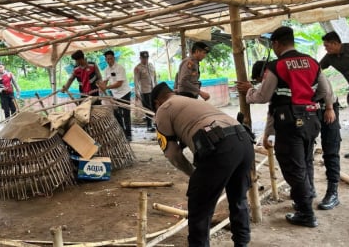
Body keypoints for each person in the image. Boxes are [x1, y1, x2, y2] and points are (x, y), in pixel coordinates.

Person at [236, 26, 335, 228]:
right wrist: (306, 101)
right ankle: (308, 193)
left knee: (292, 166)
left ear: (276, 44)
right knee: (305, 160)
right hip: (311, 118)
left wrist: (250, 91)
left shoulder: (277, 66)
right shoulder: (312, 62)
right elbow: (325, 91)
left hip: (289, 122)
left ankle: (306, 213)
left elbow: (263, 97)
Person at [151, 82, 254, 247]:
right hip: (244, 141)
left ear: (157, 102)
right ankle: (242, 243)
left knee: (200, 207)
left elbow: (172, 153)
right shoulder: (192, 102)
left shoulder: (163, 109)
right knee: (238, 198)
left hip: (220, 147)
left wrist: (193, 174)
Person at [251, 60, 341, 210]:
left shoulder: (296, 67)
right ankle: (309, 192)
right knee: (306, 152)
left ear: (265, 73)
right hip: (308, 112)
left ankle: (333, 193)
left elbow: (326, 88)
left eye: (261, 80)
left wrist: (329, 107)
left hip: (326, 107)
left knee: (330, 149)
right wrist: (269, 132)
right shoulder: (278, 79)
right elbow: (275, 106)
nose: (263, 83)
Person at [99, 50, 132, 140]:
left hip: (124, 93)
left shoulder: (120, 68)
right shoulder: (106, 70)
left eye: (111, 58)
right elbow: (105, 81)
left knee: (126, 114)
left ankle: (128, 134)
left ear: (114, 58)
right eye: (107, 59)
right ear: (105, 60)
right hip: (115, 95)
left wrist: (106, 87)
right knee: (117, 114)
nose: (109, 60)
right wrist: (102, 86)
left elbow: (119, 83)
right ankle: (122, 132)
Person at [133, 51, 157, 132]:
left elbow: (155, 77)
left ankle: (154, 123)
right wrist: (137, 92)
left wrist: (157, 88)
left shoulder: (151, 65)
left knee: (154, 107)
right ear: (140, 58)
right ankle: (149, 125)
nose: (145, 60)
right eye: (143, 58)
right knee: (147, 108)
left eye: (146, 58)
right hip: (145, 91)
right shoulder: (138, 68)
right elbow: (136, 81)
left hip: (153, 90)